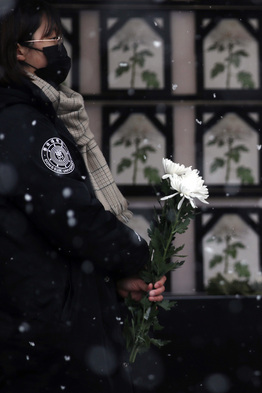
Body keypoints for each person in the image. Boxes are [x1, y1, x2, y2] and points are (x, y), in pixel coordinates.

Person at [0, 2, 165, 391]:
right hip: (46, 332)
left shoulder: (33, 116)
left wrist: (118, 277)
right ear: (19, 49)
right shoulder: (21, 122)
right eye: (51, 38)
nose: (60, 48)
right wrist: (138, 257)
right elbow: (71, 215)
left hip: (39, 321)